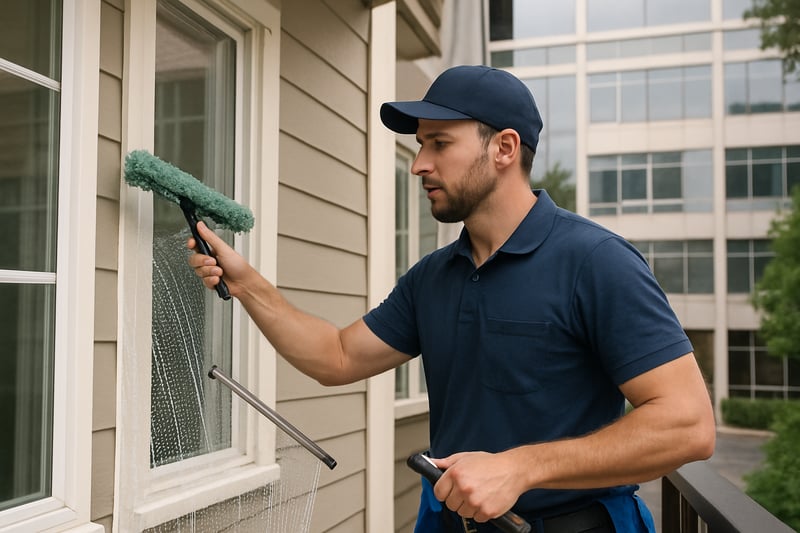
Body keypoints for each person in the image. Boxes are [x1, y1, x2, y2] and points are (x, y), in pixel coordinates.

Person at [188, 65, 716, 532]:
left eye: (439, 143)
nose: (419, 163)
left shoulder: (595, 262)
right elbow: (337, 356)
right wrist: (246, 282)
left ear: (504, 149)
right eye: (421, 145)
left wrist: (520, 467)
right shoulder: (432, 277)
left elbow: (688, 424)